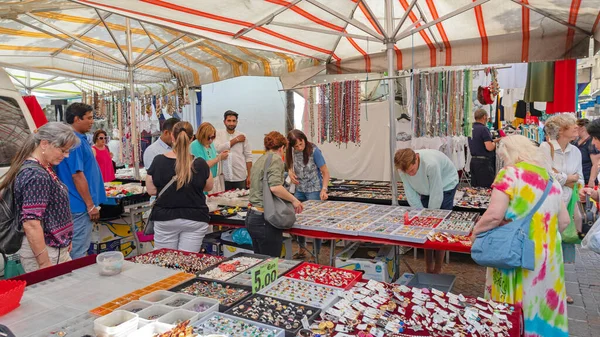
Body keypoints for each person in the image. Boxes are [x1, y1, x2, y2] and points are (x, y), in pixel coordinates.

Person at [472, 135, 569, 337]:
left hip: (517, 251)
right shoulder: (551, 178)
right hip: (548, 255)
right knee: (543, 302)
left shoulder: (510, 174)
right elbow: (564, 222)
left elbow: (494, 216)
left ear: (508, 154)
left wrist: (475, 232)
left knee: (515, 305)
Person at [0, 123, 80, 272]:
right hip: (47, 251)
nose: (66, 155)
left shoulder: (40, 168)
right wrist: (44, 264)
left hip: (52, 247)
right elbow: (31, 224)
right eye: (62, 150)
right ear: (44, 144)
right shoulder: (37, 175)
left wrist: (63, 238)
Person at [146, 122, 213, 252]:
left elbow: (151, 190)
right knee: (188, 263)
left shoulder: (158, 161)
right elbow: (208, 186)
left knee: (165, 262)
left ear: (172, 136)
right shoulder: (200, 163)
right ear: (192, 138)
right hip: (195, 218)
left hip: (165, 218)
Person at [539, 114, 582, 304]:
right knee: (547, 248)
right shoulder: (545, 149)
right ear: (561, 129)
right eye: (571, 125)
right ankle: (543, 287)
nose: (576, 127)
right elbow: (546, 176)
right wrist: (567, 178)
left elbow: (578, 178)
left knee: (562, 249)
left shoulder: (576, 151)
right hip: (548, 205)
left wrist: (565, 178)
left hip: (567, 203)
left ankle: (559, 289)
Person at [395, 148, 459, 274]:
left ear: (416, 159)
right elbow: (410, 192)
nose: (411, 174)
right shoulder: (402, 169)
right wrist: (420, 213)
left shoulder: (431, 164)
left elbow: (436, 192)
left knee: (440, 227)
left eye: (412, 170)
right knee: (425, 228)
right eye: (407, 172)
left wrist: (431, 216)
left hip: (446, 185)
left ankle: (438, 268)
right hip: (425, 188)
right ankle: (429, 267)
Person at [55, 103, 106, 259]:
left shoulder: (77, 139)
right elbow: (77, 175)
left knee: (76, 248)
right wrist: (90, 206)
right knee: (78, 250)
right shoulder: (74, 141)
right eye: (89, 118)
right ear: (77, 119)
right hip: (79, 206)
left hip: (76, 204)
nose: (92, 122)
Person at [247, 131, 303, 257]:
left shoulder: (261, 159)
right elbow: (275, 187)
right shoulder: (275, 159)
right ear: (282, 147)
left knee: (260, 261)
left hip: (252, 216)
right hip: (264, 219)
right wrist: (294, 200)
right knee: (270, 263)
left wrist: (287, 170)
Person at [286, 129, 330, 259]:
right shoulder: (291, 151)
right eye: (296, 146)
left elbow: (325, 172)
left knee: (315, 222)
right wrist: (289, 172)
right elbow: (289, 165)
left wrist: (324, 189)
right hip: (299, 189)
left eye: (301, 144)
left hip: (314, 189)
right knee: (299, 219)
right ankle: (302, 249)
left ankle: (316, 253)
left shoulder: (314, 151)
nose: (299, 147)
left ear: (304, 139)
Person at [214, 110, 253, 190]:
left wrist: (249, 175)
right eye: (229, 121)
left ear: (237, 122)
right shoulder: (218, 134)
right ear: (224, 122)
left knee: (241, 201)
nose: (231, 123)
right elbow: (217, 149)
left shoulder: (243, 136)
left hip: (240, 177)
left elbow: (248, 156)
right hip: (223, 177)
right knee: (223, 201)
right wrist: (236, 140)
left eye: (234, 121)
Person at [190, 122, 229, 190]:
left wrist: (221, 155)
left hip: (213, 181)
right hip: (202, 182)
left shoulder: (211, 144)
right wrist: (219, 158)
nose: (211, 140)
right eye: (209, 138)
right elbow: (202, 165)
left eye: (213, 137)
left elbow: (212, 158)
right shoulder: (195, 145)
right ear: (202, 136)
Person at [468, 109, 498, 187]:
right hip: (483, 163)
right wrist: (495, 144)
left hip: (473, 162)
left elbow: (479, 141)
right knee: (486, 189)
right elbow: (489, 147)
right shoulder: (484, 129)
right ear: (484, 116)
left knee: (475, 188)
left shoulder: (471, 128)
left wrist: (496, 140)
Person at [572, 118, 600, 187]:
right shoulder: (576, 141)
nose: (575, 130)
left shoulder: (590, 143)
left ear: (582, 128)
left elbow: (595, 164)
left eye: (576, 128)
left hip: (587, 179)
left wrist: (591, 180)